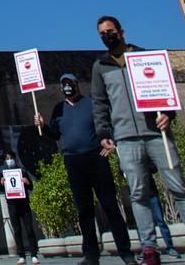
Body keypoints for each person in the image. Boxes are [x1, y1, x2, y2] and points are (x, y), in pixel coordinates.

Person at [91, 15, 185, 265]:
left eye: (110, 31)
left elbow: (165, 91)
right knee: (138, 194)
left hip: (156, 134)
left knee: (180, 189)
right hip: (125, 138)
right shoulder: (100, 66)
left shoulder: (145, 58)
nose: (107, 36)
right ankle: (149, 249)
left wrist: (169, 115)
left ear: (121, 31)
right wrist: (104, 133)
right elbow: (100, 103)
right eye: (102, 33)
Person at [36, 72, 134, 265]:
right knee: (84, 210)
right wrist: (43, 126)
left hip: (96, 157)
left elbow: (107, 123)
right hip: (73, 161)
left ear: (77, 84)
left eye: (70, 83)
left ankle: (126, 252)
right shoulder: (58, 109)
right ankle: (91, 255)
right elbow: (55, 135)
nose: (67, 87)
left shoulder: (91, 104)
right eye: (63, 84)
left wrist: (111, 141)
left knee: (110, 206)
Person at [1, 148, 38, 265]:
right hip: (12, 205)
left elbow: (31, 187)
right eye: (7, 159)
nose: (9, 161)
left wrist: (27, 182)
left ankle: (34, 255)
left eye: (11, 158)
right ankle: (21, 255)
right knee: (17, 231)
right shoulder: (3, 173)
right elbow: (1, 190)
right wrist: (1, 183)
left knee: (29, 229)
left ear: (14, 159)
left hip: (24, 204)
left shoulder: (21, 171)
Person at [139, 163, 179, 259]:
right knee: (141, 224)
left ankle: (170, 247)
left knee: (160, 220)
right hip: (139, 195)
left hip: (151, 192)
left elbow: (154, 167)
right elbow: (122, 171)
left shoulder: (144, 155)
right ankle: (146, 249)